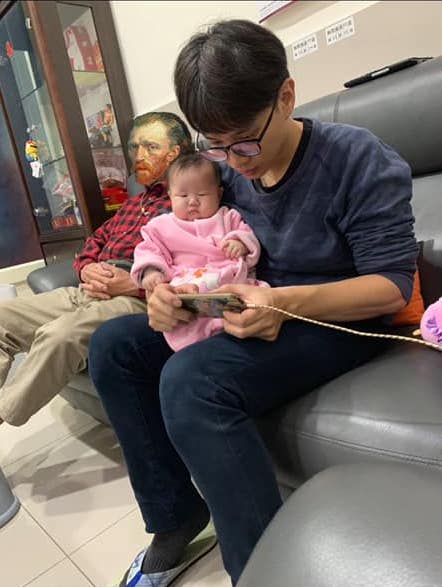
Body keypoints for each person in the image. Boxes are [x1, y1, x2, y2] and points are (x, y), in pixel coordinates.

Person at [88, 20, 418, 587]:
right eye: (214, 144)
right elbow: (176, 241)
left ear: (285, 96)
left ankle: (266, 573)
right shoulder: (223, 170)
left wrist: (281, 302)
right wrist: (159, 292)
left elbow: (390, 287)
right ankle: (176, 518)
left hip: (338, 317)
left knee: (191, 381)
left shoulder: (356, 158)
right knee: (114, 346)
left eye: (243, 141)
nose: (232, 161)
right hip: (247, 302)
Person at [0, 111, 192, 426]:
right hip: (89, 289)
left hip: (135, 298)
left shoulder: (189, 202)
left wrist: (134, 285)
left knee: (59, 335)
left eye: (150, 147)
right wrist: (86, 268)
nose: (138, 156)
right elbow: (94, 242)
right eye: (134, 147)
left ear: (176, 152)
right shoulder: (133, 204)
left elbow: (196, 268)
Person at [132, 152, 267, 351]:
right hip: (186, 284)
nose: (193, 201)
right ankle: (195, 339)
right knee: (180, 306)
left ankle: (224, 336)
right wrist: (151, 272)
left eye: (202, 195)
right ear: (170, 195)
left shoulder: (227, 217)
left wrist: (240, 243)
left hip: (227, 280)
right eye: (183, 196)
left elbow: (246, 233)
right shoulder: (162, 226)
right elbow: (149, 249)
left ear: (218, 194)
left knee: (254, 298)